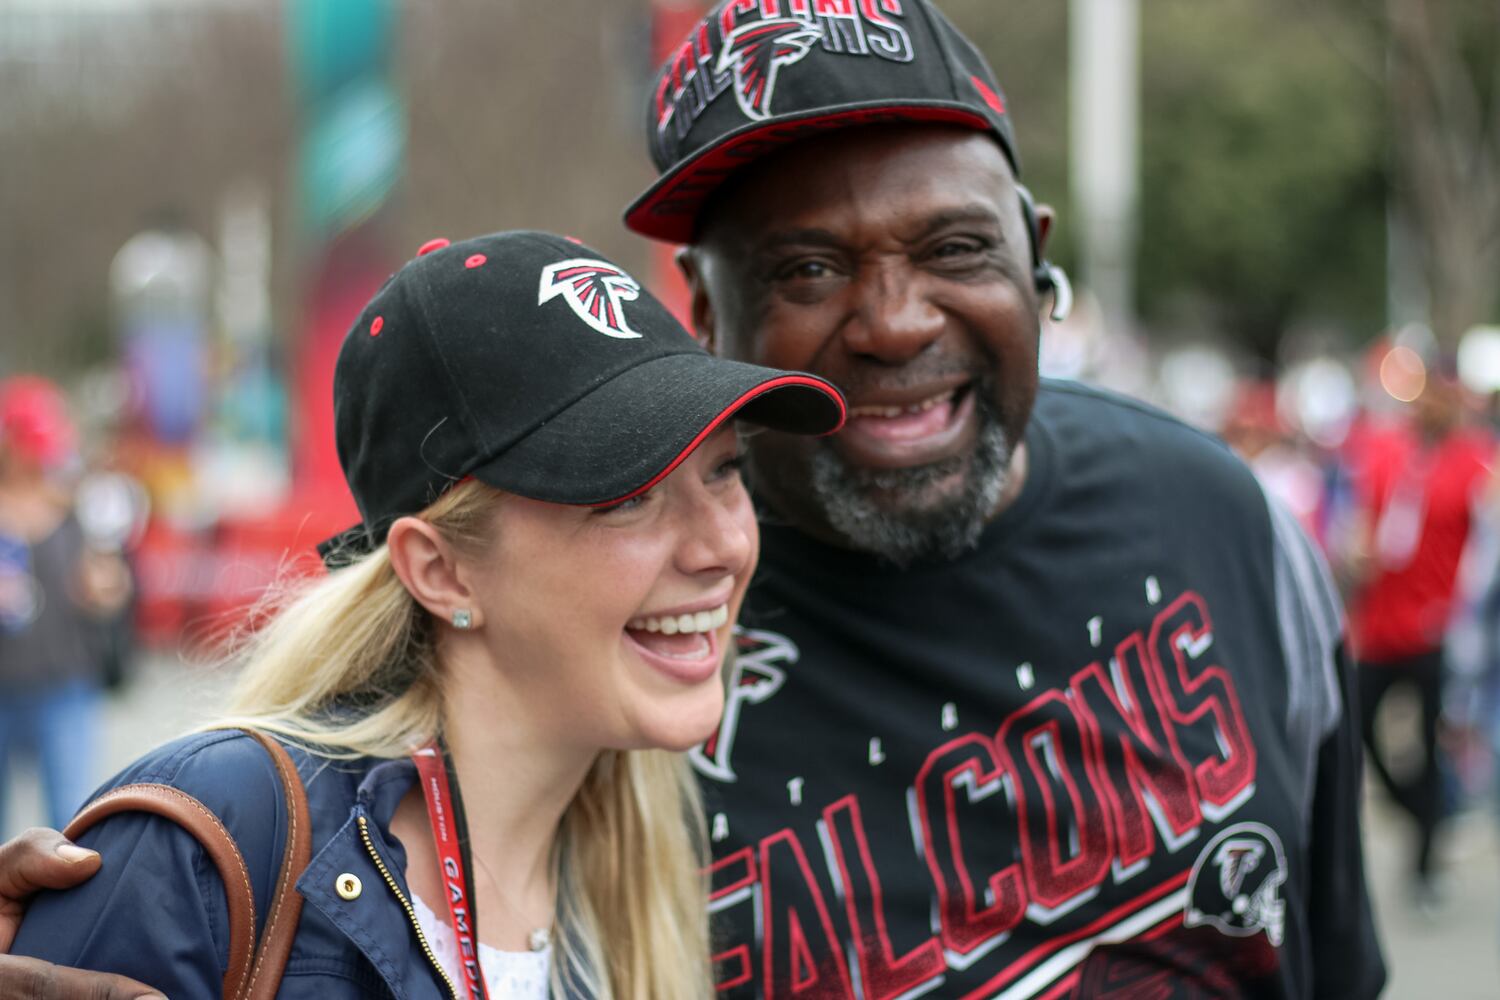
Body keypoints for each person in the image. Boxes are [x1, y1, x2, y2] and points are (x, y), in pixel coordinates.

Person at [0, 2, 1386, 997]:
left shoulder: (1231, 526)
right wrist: (140, 889)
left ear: (1036, 258)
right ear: (700, 314)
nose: (896, 322)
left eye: (956, 245)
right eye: (804, 269)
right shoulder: (593, 702)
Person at [4, 230, 845, 999]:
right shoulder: (209, 843)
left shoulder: (655, 874)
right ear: (441, 572)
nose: (722, 546)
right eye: (629, 496)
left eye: (726, 472)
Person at [1337, 373, 1494, 907]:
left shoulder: (1475, 460)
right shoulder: (1386, 450)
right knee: (1354, 728)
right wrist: (1354, 553)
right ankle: (1419, 810)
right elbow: (1361, 522)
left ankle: (1425, 864)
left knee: (1429, 744)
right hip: (1380, 624)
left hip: (1434, 625)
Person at [0, 376, 132, 832]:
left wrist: (103, 587)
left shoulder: (79, 506)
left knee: (69, 824)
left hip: (65, 688)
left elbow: (115, 588)